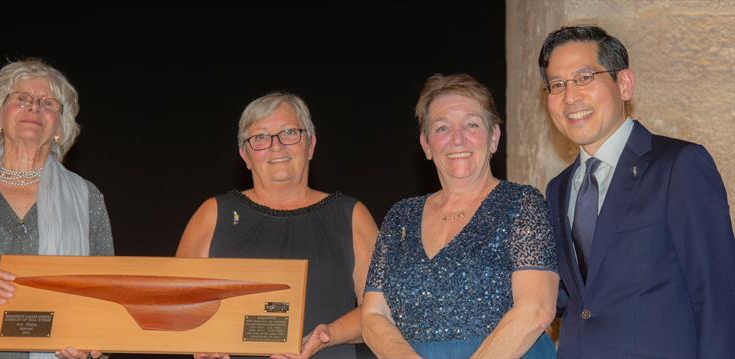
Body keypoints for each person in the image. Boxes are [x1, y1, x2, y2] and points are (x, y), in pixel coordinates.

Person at [539, 25, 735, 358]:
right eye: (557, 85)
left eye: (585, 77)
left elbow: (719, 296)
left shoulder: (679, 166)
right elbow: (567, 295)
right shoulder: (557, 189)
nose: (570, 97)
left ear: (624, 84)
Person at [361, 73, 559, 358]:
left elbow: (536, 309)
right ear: (426, 144)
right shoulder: (400, 217)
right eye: (442, 128)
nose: (457, 139)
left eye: (471, 124)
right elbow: (372, 315)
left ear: (493, 137)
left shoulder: (521, 204)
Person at [176, 92, 378, 359]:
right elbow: (176, 306)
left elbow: (382, 312)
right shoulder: (213, 214)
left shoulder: (351, 215)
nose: (276, 146)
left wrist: (327, 334)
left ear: (311, 144)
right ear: (244, 155)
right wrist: (203, 343)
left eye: (289, 132)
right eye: (260, 137)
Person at [0, 59, 114, 359]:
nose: (34, 107)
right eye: (21, 99)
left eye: (48, 103)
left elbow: (106, 299)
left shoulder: (86, 199)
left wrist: (92, 347)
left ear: (60, 126)